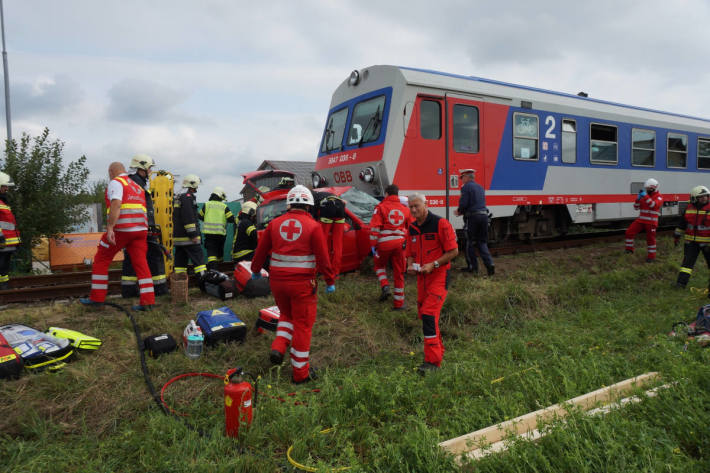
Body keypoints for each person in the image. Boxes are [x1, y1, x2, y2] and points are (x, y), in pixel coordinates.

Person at [250, 185, 335, 384]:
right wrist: (330, 281)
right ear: (309, 206)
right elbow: (323, 259)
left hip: (278, 283)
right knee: (303, 326)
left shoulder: (274, 224)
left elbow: (260, 252)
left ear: (289, 204)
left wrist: (254, 271)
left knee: (287, 315)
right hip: (302, 285)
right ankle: (300, 374)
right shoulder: (314, 226)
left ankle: (279, 346)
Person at [81, 162, 154, 310]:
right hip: (140, 231)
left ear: (111, 171)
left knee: (102, 259)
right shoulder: (135, 185)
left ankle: (97, 298)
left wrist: (110, 227)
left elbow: (116, 204)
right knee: (141, 264)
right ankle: (148, 302)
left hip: (123, 230)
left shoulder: (116, 182)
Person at [406, 193, 458, 375]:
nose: (413, 210)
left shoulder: (440, 224)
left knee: (428, 315)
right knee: (426, 316)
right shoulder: (412, 227)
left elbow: (453, 251)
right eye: (410, 207)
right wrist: (410, 265)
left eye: (416, 206)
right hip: (422, 279)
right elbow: (410, 253)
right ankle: (437, 351)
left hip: (439, 276)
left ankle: (433, 362)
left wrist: (434, 264)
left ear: (426, 204)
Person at [121, 154, 169, 298]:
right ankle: (159, 289)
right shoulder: (138, 186)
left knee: (131, 259)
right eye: (149, 169)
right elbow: (144, 209)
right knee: (155, 256)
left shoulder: (132, 183)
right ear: (141, 168)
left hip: (133, 228)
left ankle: (129, 291)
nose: (150, 172)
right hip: (143, 229)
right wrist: (150, 227)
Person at [370, 184, 410, 309]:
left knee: (379, 265)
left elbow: (375, 228)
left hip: (384, 245)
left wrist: (373, 245)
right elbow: (411, 228)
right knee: (399, 273)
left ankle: (385, 285)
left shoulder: (380, 207)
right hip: (400, 245)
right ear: (397, 194)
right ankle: (399, 304)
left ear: (386, 194)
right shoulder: (405, 209)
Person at [454, 169, 494, 276]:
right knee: (482, 242)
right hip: (484, 216)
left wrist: (459, 211)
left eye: (462, 178)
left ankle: (473, 268)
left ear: (467, 177)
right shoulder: (480, 187)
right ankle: (490, 266)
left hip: (473, 218)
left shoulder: (466, 187)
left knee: (470, 243)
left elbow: (464, 203)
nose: (461, 180)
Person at [674, 185, 710, 290]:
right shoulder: (688, 208)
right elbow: (682, 223)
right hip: (691, 243)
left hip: (707, 244)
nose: (705, 198)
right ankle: (680, 284)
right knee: (686, 265)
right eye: (701, 196)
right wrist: (677, 235)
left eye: (706, 196)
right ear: (694, 198)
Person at [173, 174, 207, 279]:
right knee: (199, 261)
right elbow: (188, 217)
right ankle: (203, 281)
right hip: (188, 238)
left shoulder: (179, 197)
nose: (197, 188)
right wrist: (193, 234)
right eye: (196, 186)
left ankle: (179, 281)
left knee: (180, 263)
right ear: (192, 185)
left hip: (179, 238)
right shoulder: (187, 197)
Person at [625, 178, 664, 262]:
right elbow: (636, 207)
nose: (647, 190)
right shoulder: (644, 196)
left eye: (648, 188)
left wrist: (645, 196)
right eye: (646, 188)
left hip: (651, 222)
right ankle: (629, 250)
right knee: (629, 232)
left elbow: (653, 205)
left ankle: (651, 257)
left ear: (654, 188)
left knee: (650, 239)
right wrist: (637, 199)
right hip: (641, 221)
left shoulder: (659, 197)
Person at [198, 186, 235, 270]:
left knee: (211, 254)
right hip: (221, 235)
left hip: (209, 235)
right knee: (219, 253)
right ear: (220, 196)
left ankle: (213, 271)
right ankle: (220, 270)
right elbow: (231, 219)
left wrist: (207, 218)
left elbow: (200, 216)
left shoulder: (207, 204)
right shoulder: (224, 206)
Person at [313, 191, 346, 277]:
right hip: (340, 209)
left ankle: (321, 270)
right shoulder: (325, 193)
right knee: (338, 245)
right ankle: (336, 272)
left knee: (322, 243)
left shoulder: (312, 199)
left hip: (327, 210)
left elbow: (313, 216)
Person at [0, 172, 20, 290]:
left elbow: (10, 224)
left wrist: (17, 241)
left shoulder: (3, 202)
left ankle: (4, 286)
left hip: (8, 242)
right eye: (4, 186)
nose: (7, 188)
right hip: (2, 241)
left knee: (4, 266)